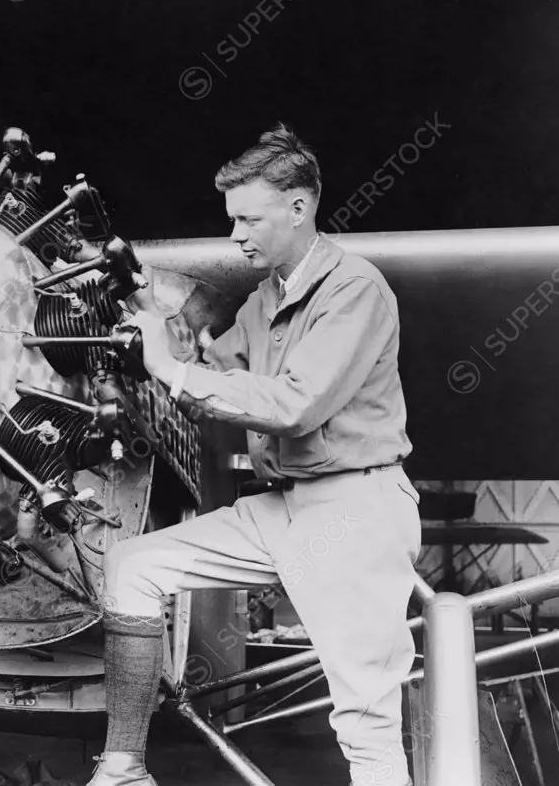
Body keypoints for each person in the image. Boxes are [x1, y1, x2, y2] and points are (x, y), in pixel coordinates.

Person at [89, 124, 422, 786]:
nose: (236, 234)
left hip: (355, 509)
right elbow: (212, 379)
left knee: (365, 725)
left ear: (299, 208)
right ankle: (124, 764)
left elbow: (293, 406)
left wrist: (174, 370)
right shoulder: (265, 298)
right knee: (132, 565)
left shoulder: (355, 289)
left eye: (249, 218)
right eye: (231, 218)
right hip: (282, 507)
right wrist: (143, 325)